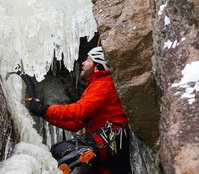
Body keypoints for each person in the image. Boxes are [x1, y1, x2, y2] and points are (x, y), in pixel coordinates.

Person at [28, 46, 131, 174]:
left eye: (88, 59)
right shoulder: (97, 85)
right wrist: (45, 115)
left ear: (97, 65)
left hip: (111, 139)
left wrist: (45, 109)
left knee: (63, 151)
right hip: (111, 147)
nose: (83, 63)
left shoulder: (104, 83)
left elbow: (78, 111)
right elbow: (77, 124)